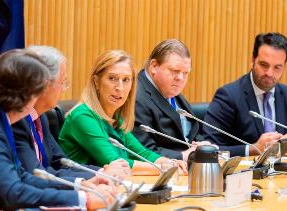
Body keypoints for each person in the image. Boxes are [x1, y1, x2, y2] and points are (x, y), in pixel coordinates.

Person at [0, 49, 112, 210]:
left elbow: (23, 177)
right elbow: (13, 192)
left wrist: (80, 188)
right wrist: (83, 199)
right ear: (30, 93)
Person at [59, 50, 187, 175]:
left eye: (126, 80)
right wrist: (163, 168)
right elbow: (114, 162)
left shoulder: (115, 118)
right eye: (112, 78)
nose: (119, 88)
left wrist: (170, 162)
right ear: (96, 81)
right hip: (81, 189)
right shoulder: (82, 117)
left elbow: (142, 153)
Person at [12, 45, 130, 181]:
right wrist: (87, 181)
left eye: (126, 80)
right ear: (43, 84)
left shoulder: (40, 117)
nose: (64, 89)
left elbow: (61, 162)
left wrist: (102, 172)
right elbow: (37, 174)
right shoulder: (17, 122)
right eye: (62, 82)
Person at [203, 32, 287, 157]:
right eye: (264, 65)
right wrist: (253, 149)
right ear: (252, 60)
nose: (270, 73)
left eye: (277, 67)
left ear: (284, 66)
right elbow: (209, 147)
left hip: (282, 174)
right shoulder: (229, 96)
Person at [132, 39, 213, 161]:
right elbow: (144, 150)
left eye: (185, 73)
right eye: (175, 71)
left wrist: (201, 145)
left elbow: (193, 132)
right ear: (154, 66)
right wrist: (184, 156)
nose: (180, 78)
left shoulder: (170, 91)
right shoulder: (137, 97)